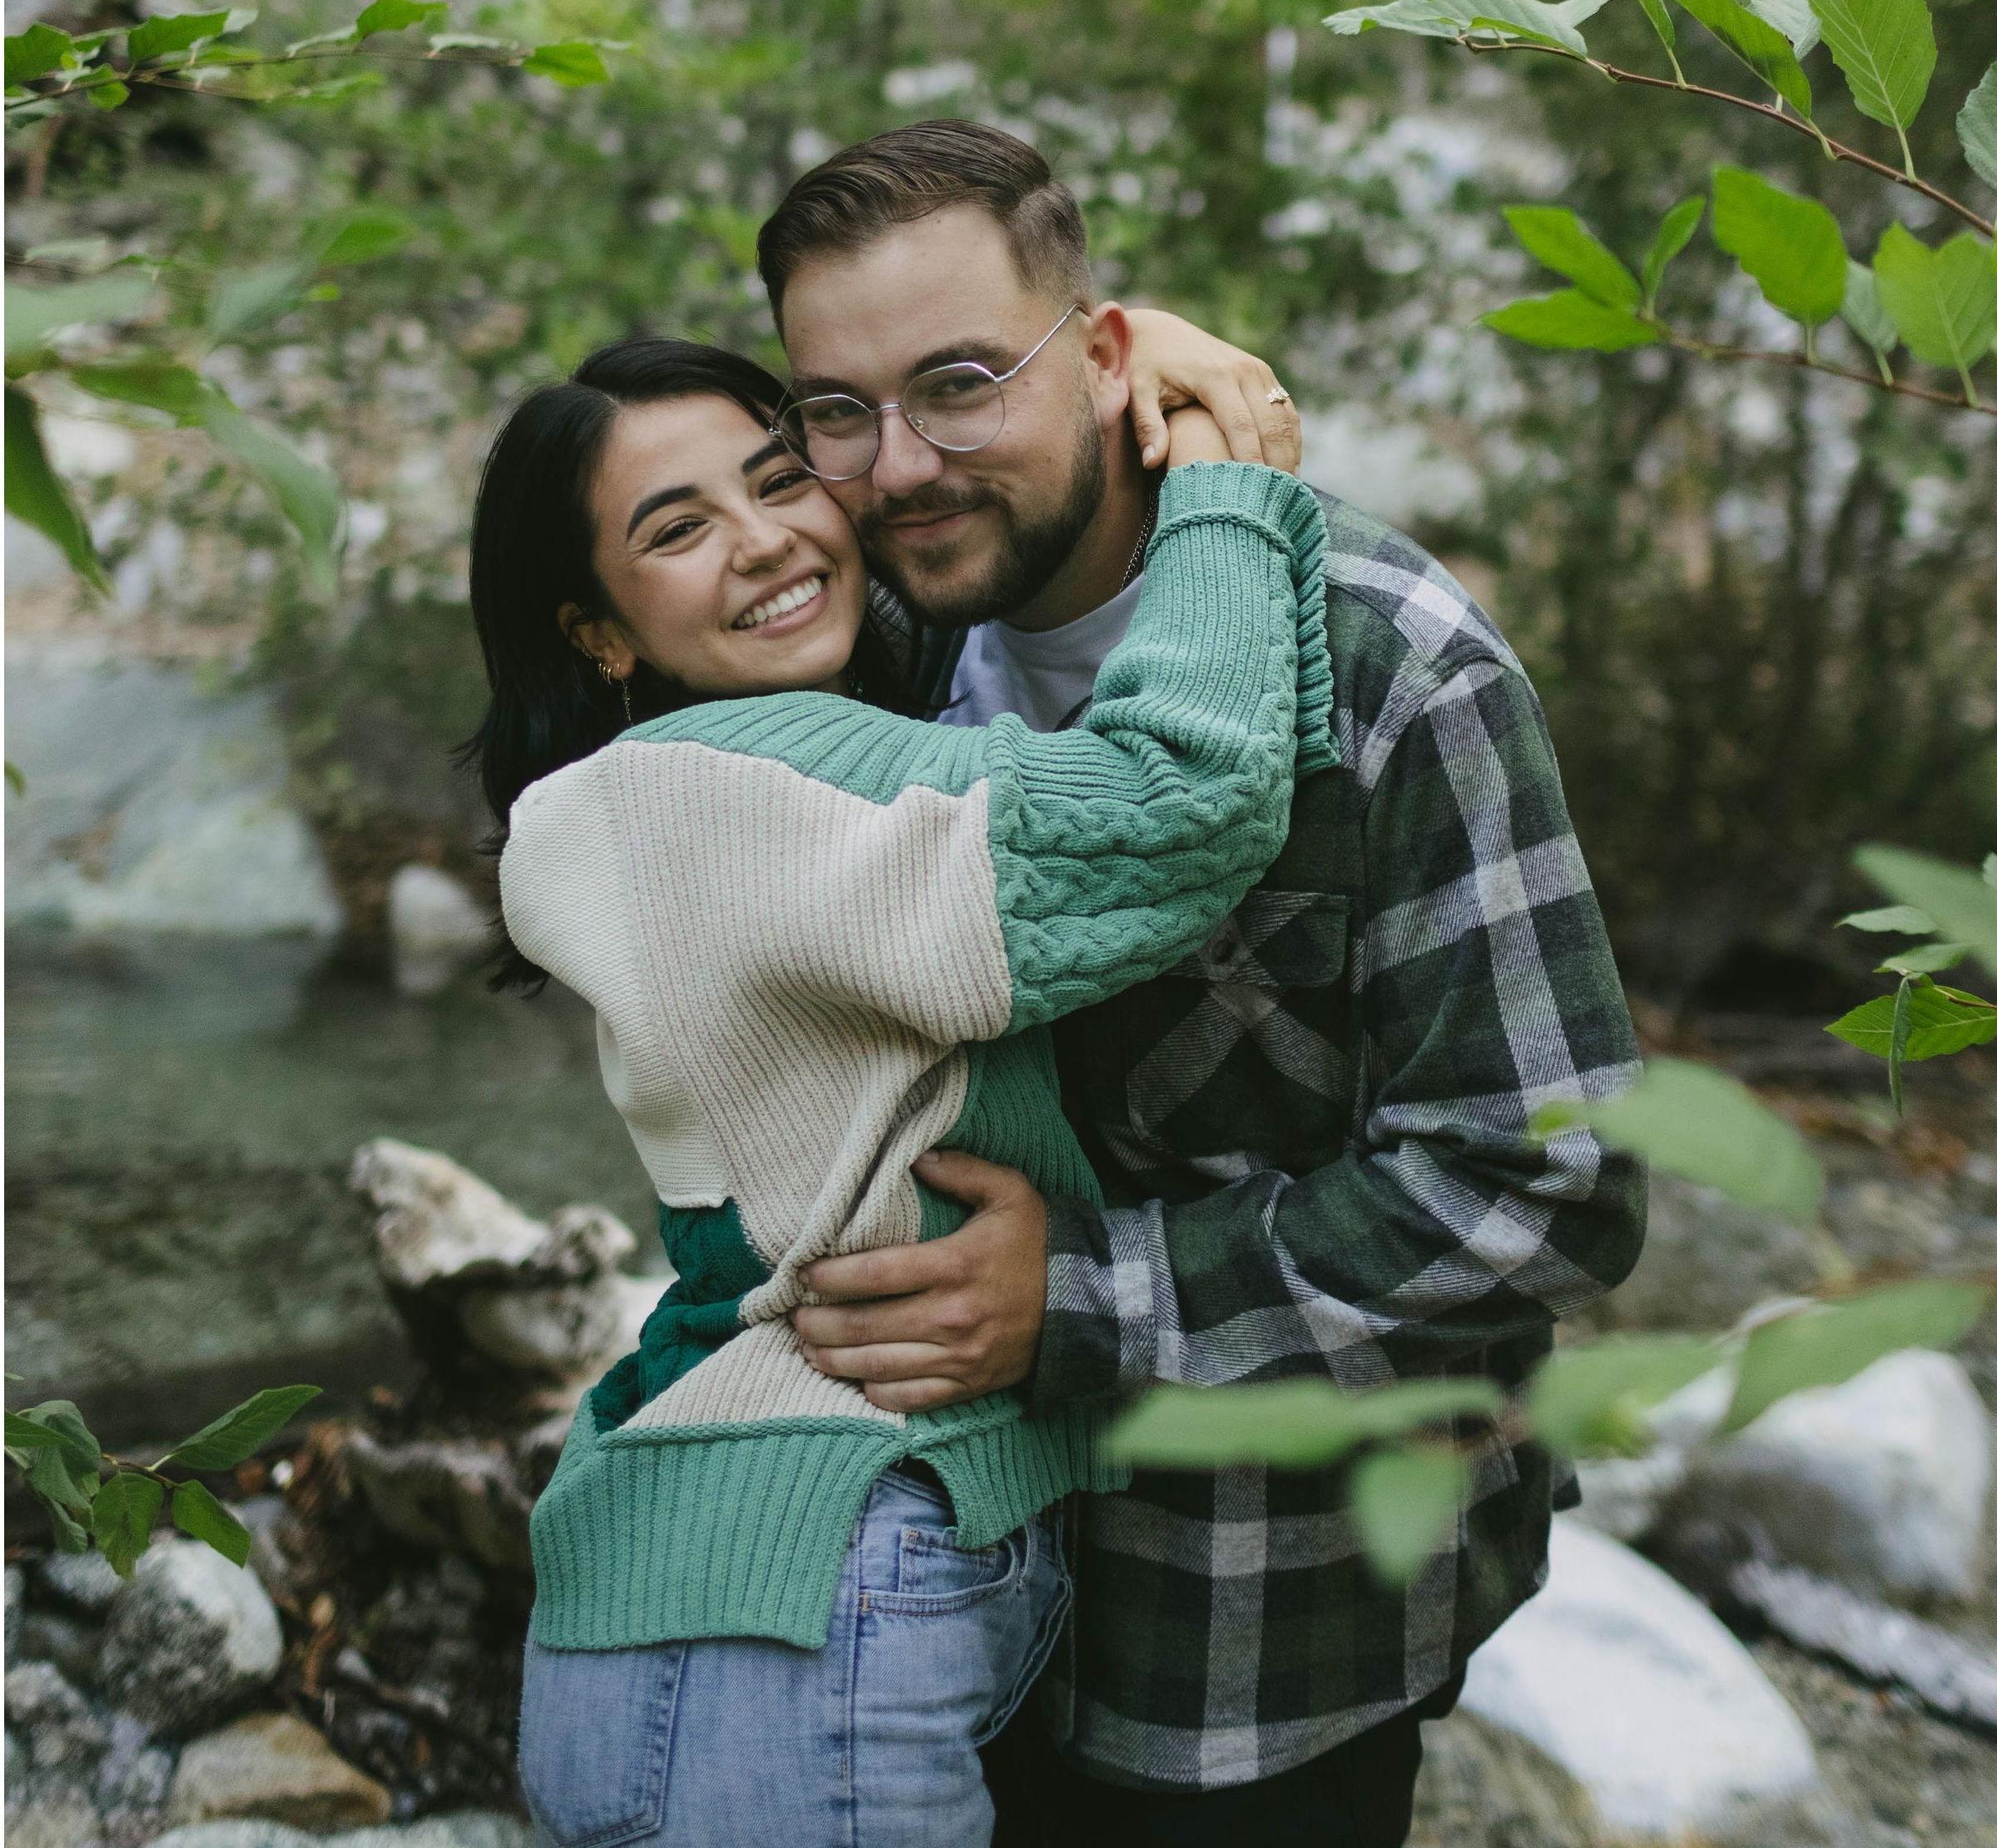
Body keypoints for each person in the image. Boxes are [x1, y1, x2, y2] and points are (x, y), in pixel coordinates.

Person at [758, 119, 1649, 1846]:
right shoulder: (864, 640)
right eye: (838, 409)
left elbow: (1549, 1187)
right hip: (929, 1603)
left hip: (1256, 1638)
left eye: (959, 384)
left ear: (1104, 358)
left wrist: (1080, 1297)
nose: (900, 464)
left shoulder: (1392, 668)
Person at [464, 319, 1334, 1847]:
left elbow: (1254, 740)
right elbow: (1184, 803)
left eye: (777, 478)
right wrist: (1220, 473)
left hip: (755, 1609)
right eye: (676, 530)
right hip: (784, 1617)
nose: (763, 540)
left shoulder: (751, 778)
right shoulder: (741, 790)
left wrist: (1105, 357)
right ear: (598, 632)